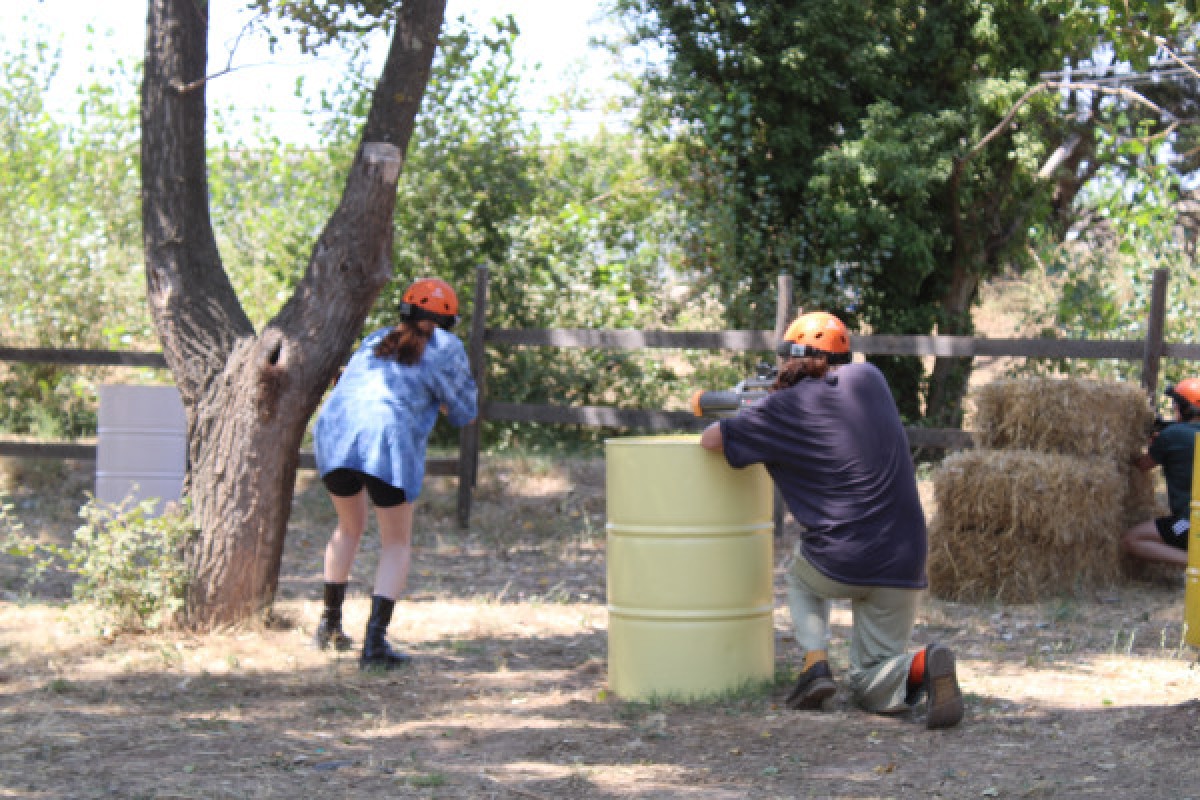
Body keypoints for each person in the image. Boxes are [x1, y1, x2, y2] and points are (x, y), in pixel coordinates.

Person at [699, 311, 963, 729]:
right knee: (874, 674)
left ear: (789, 360)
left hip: (838, 559)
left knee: (800, 576)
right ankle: (920, 666)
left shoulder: (780, 409)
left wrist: (756, 405)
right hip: (905, 555)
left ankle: (815, 664)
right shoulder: (871, 381)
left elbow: (711, 438)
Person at [312, 277, 477, 670]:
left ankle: (329, 626)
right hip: (386, 443)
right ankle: (374, 645)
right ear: (447, 320)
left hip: (336, 434)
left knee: (348, 527)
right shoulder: (447, 348)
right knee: (396, 543)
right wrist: (440, 403)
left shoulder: (376, 339)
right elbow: (464, 411)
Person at [1121, 379, 1200, 569]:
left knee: (1130, 540)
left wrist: (1154, 446)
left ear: (1184, 408)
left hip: (1190, 523)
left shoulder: (1172, 435)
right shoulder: (1175, 434)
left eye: (1175, 405)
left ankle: (1194, 562)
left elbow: (1142, 465)